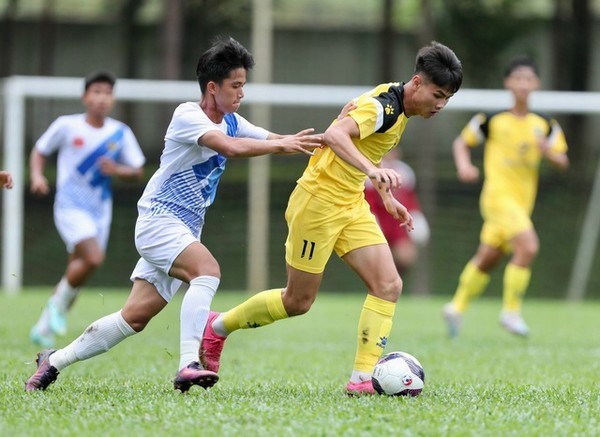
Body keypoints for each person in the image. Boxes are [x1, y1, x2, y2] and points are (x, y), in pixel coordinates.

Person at [25, 36, 322, 393]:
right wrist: (280, 144)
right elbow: (230, 147)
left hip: (184, 229)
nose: (242, 93)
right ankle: (188, 364)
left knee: (134, 317)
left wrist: (328, 141)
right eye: (236, 85)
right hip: (159, 220)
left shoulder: (232, 120)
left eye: (243, 85)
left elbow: (276, 139)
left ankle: (53, 361)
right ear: (212, 87)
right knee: (207, 271)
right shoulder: (187, 115)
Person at [199, 41, 463, 396]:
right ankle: (217, 327)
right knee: (298, 302)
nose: (441, 104)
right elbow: (336, 135)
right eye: (437, 94)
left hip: (351, 203)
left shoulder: (399, 108)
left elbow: (364, 145)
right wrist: (373, 171)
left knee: (388, 285)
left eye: (447, 98)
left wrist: (386, 196)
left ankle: (362, 378)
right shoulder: (384, 107)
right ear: (417, 83)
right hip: (318, 203)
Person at [442, 56, 569, 338]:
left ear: (536, 84)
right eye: (518, 78)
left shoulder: (545, 124)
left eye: (528, 79)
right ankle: (511, 313)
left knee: (488, 257)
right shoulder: (491, 119)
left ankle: (455, 307)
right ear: (508, 83)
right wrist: (464, 166)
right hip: (497, 197)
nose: (523, 84)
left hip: (522, 203)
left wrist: (548, 152)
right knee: (528, 247)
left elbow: (563, 160)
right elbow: (461, 142)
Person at [28, 71, 146, 348]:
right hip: (70, 206)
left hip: (100, 210)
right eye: (96, 92)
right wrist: (37, 176)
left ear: (113, 99)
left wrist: (117, 169)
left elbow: (137, 170)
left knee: (77, 270)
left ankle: (43, 328)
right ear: (85, 97)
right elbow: (40, 150)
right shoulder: (67, 126)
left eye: (107, 93)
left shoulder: (120, 132)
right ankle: (55, 306)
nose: (102, 98)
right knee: (93, 258)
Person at [364, 147, 430, 275]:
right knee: (378, 258)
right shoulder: (371, 172)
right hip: (380, 220)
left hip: (398, 223)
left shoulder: (405, 172)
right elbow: (369, 201)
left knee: (406, 255)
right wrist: (372, 221)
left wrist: (417, 218)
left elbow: (410, 200)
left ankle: (395, 276)